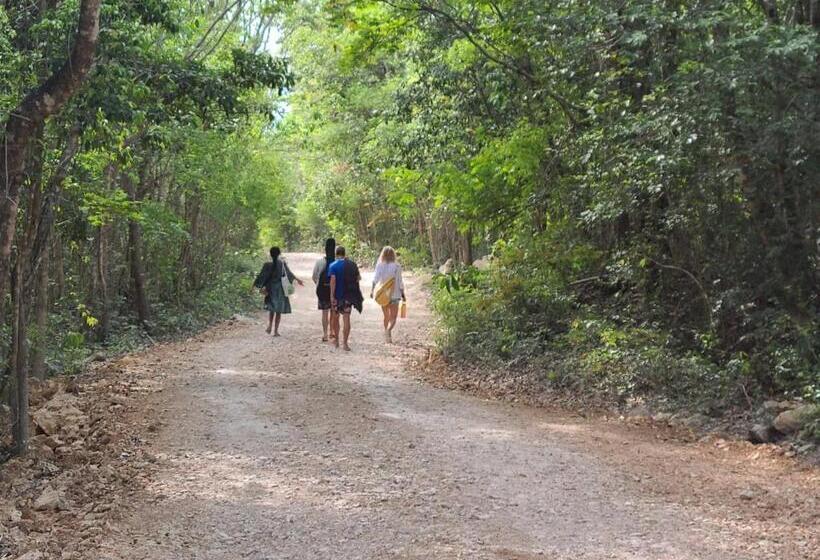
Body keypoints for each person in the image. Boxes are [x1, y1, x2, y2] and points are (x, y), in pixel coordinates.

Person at [254, 247, 304, 336]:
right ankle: (276, 331)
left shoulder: (267, 264)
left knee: (272, 309)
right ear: (279, 254)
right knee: (278, 311)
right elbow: (289, 274)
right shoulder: (282, 264)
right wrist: (297, 280)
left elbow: (261, 276)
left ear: (270, 254)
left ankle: (269, 326)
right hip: (280, 289)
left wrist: (255, 285)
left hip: (271, 289)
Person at [328, 246, 363, 351]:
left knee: (335, 318)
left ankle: (337, 341)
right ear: (344, 253)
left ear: (336, 254)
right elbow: (358, 278)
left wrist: (331, 295)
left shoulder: (332, 265)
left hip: (337, 297)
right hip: (348, 296)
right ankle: (345, 344)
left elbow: (333, 281)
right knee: (346, 318)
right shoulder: (352, 265)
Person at [371, 246, 406, 343]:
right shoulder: (397, 266)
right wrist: (403, 294)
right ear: (393, 254)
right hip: (395, 295)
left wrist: (372, 290)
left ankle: (386, 335)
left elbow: (375, 279)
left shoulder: (379, 265)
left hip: (383, 295)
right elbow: (399, 282)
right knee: (393, 317)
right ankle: (388, 331)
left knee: (386, 316)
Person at [312, 238, 336, 342]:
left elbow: (314, 277)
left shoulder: (320, 262)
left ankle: (325, 334)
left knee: (324, 312)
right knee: (333, 311)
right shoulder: (337, 262)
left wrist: (319, 285)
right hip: (334, 291)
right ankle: (332, 331)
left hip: (322, 291)